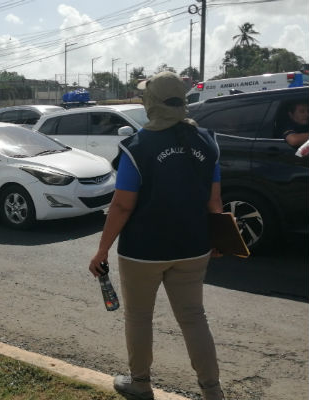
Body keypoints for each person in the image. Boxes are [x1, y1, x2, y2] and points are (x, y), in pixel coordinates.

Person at [88, 71, 225, 400]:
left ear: (151, 102)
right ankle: (212, 391)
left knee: (139, 317)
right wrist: (218, 239)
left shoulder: (138, 146)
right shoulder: (207, 141)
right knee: (194, 318)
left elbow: (121, 206)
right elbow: (215, 202)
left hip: (143, 252)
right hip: (194, 246)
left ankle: (140, 384)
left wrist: (101, 250)